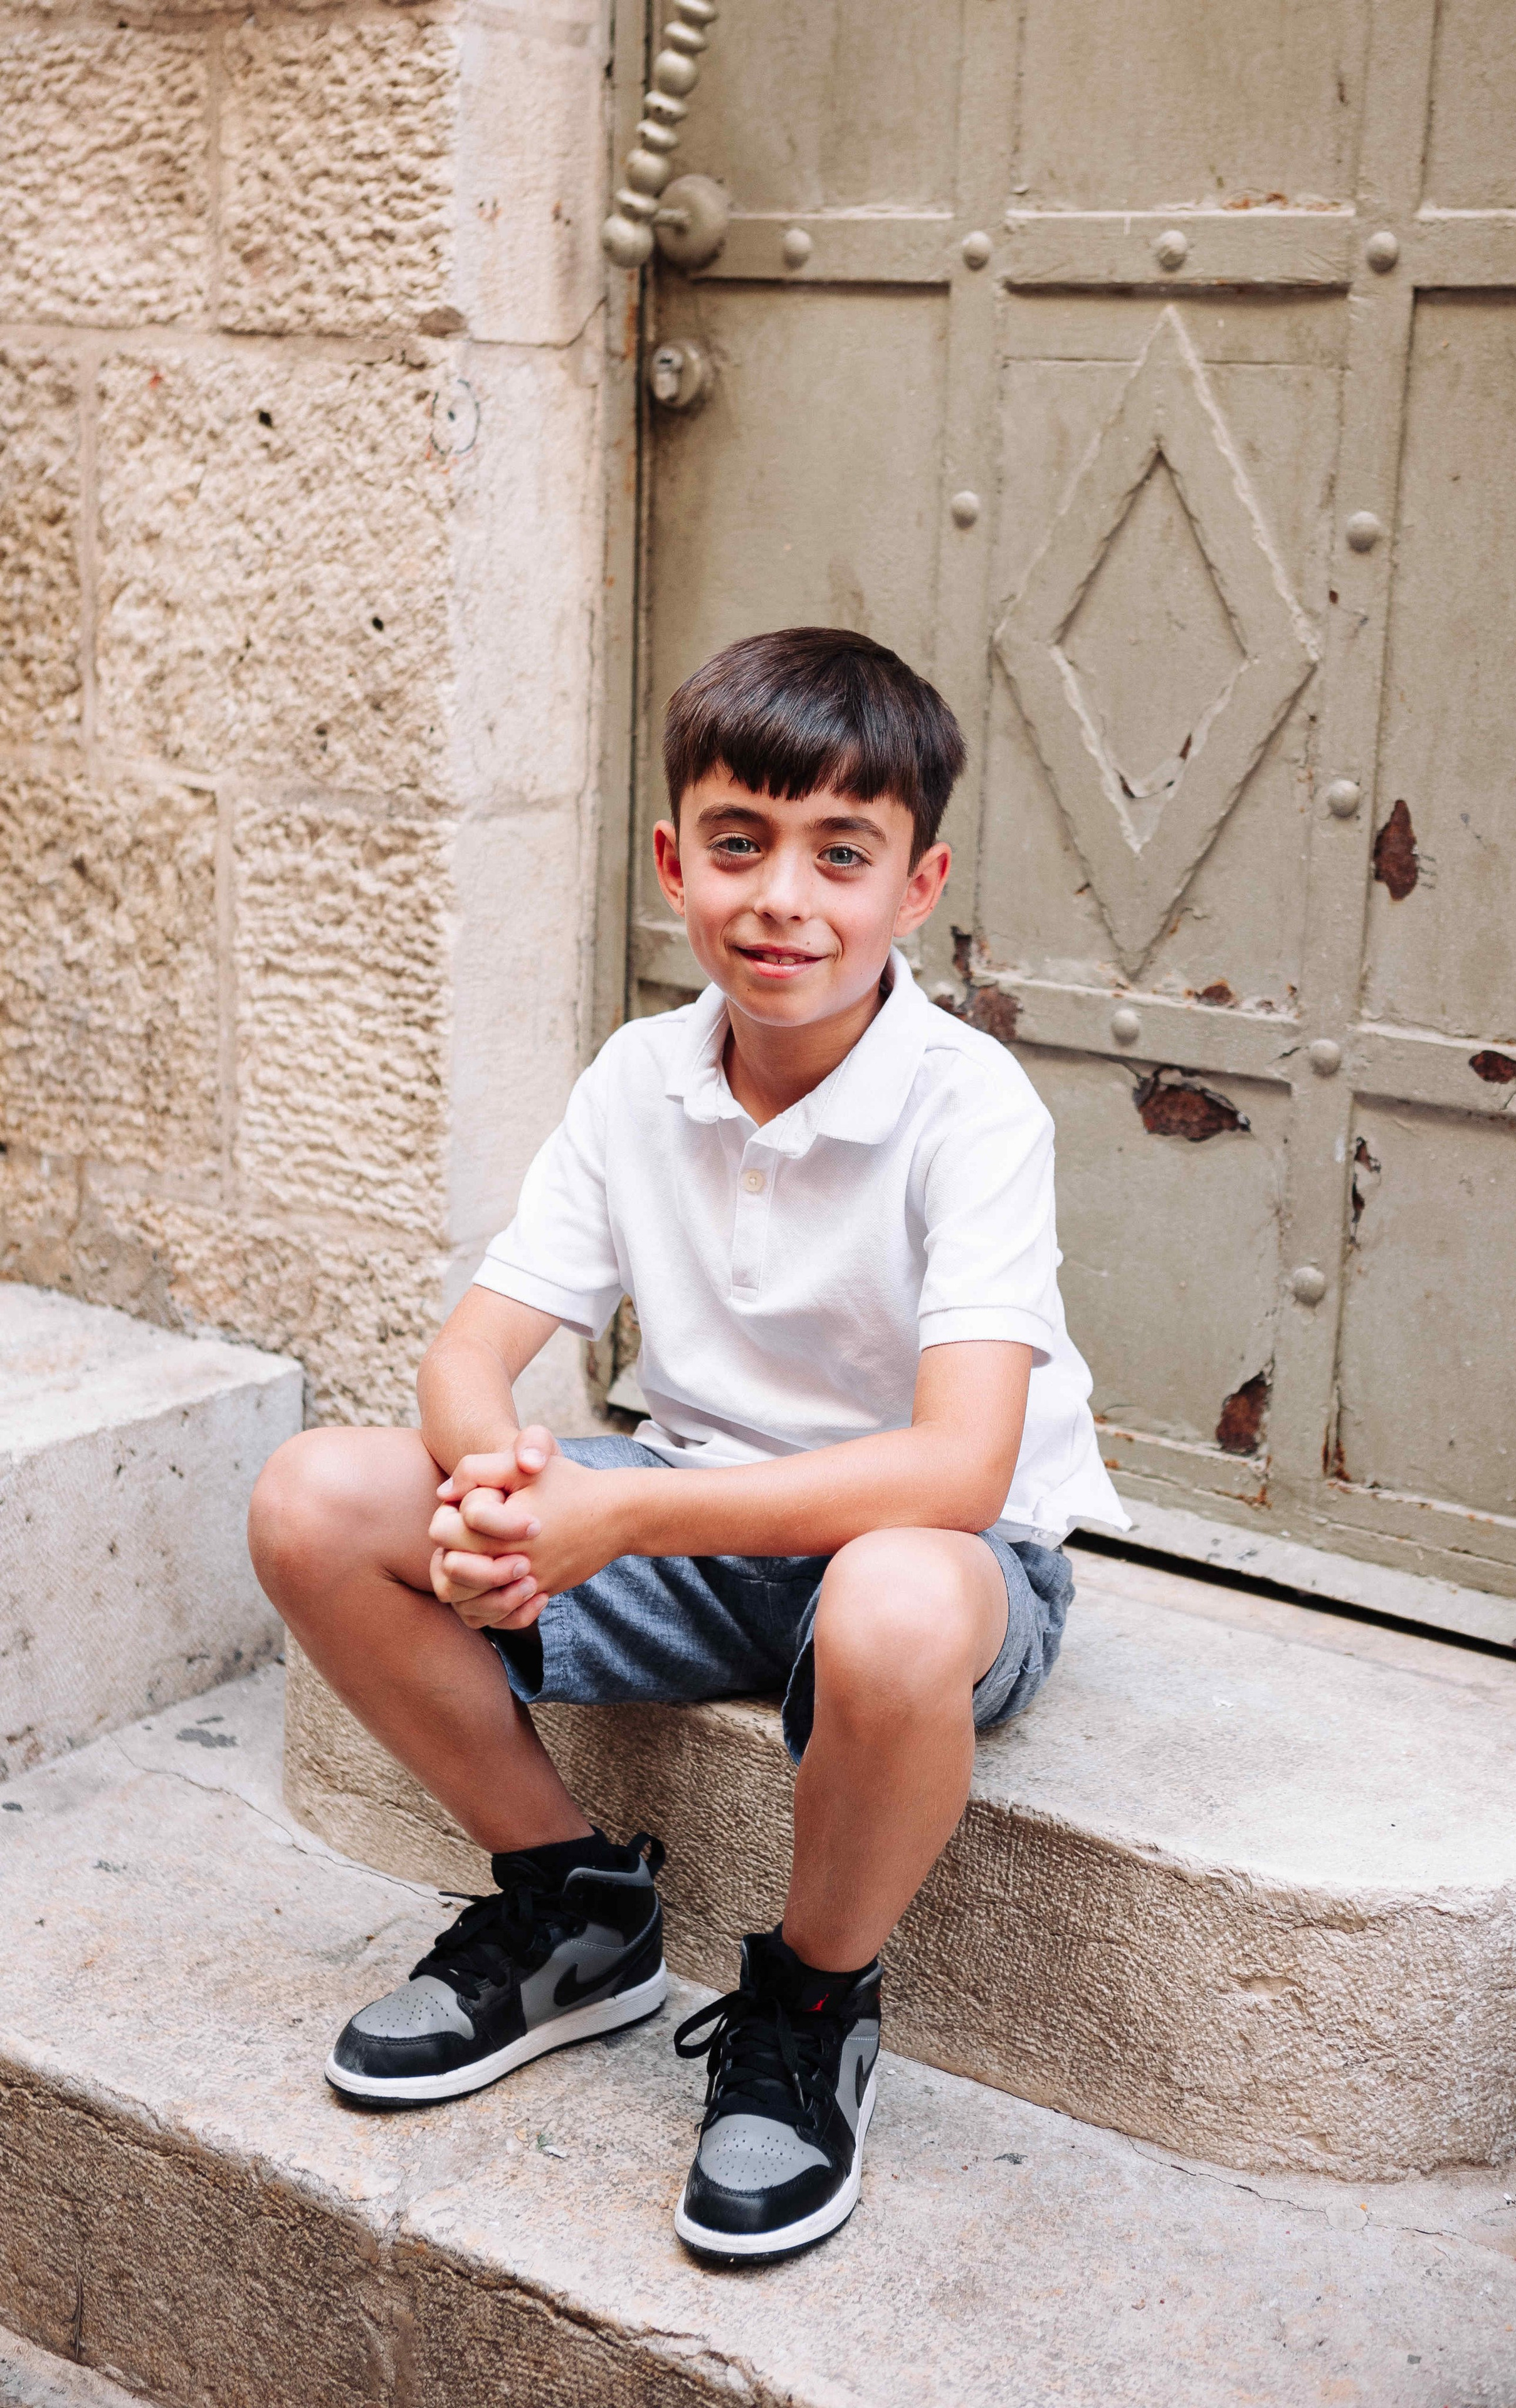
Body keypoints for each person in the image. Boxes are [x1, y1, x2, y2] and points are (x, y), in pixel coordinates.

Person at [249, 626, 1127, 2262]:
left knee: (890, 1601)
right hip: (686, 1511)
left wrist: (609, 1528)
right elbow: (476, 1353)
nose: (782, 896)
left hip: (931, 1556)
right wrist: (498, 1498)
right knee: (315, 1499)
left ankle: (806, 2001)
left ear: (917, 886)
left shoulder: (971, 1102)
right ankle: (574, 1907)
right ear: (674, 861)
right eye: (739, 843)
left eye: (839, 855)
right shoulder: (639, 1076)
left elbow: (959, 1472)